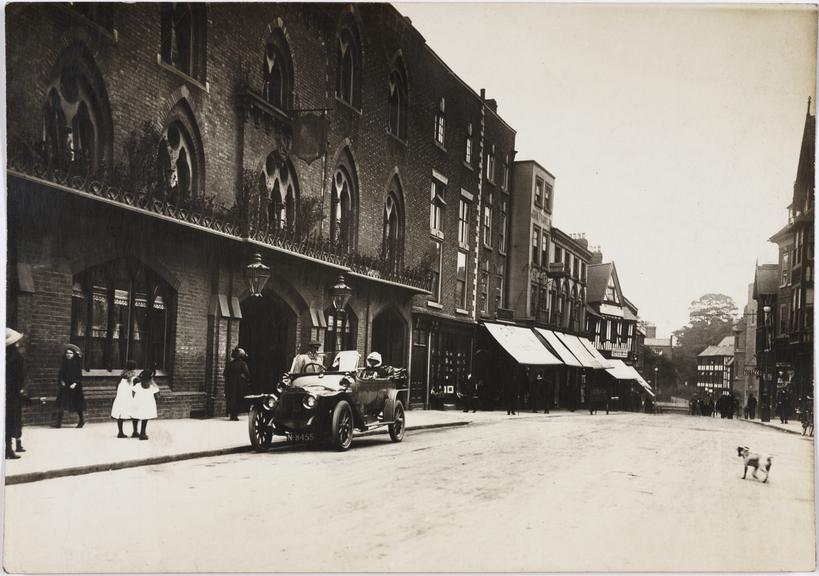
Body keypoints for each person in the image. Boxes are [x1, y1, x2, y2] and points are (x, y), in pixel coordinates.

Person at [54, 344, 85, 428]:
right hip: (64, 386)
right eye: (67, 353)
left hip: (74, 387)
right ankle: (58, 422)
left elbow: (79, 375)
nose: (68, 355)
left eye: (71, 353)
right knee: (61, 404)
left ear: (73, 354)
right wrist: (61, 381)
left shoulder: (76, 364)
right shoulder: (64, 363)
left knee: (77, 404)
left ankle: (81, 420)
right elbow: (61, 374)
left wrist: (75, 383)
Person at [6, 329, 26, 459]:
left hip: (7, 392)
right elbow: (21, 376)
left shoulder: (6, 356)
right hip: (12, 394)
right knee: (12, 420)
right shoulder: (17, 357)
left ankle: (8, 449)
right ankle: (9, 450)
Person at [112, 360, 138, 438]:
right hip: (131, 398)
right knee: (135, 414)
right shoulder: (134, 378)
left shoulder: (121, 376)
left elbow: (116, 387)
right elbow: (136, 389)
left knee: (121, 414)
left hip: (121, 398)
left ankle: (120, 432)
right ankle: (135, 432)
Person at [131, 368, 159, 440]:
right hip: (147, 404)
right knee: (145, 418)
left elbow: (133, 393)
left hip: (137, 403)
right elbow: (157, 395)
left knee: (135, 417)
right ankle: (142, 433)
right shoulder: (151, 386)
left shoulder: (137, 385)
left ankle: (135, 432)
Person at [224, 348, 251, 421]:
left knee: (232, 399)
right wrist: (246, 379)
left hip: (230, 384)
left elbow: (225, 374)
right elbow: (247, 373)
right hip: (239, 385)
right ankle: (235, 415)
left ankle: (232, 415)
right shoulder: (243, 363)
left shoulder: (229, 363)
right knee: (238, 399)